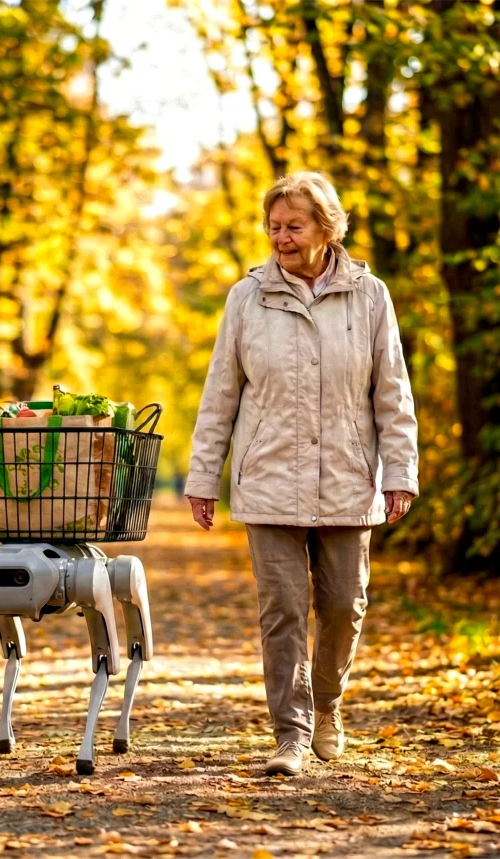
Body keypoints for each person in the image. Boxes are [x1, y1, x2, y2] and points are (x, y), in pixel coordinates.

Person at [184, 172, 418, 777]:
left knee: (343, 605)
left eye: (294, 226)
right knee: (282, 610)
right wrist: (203, 477)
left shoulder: (370, 295)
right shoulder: (247, 297)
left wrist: (400, 471)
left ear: (327, 228)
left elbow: (392, 391)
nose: (281, 238)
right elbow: (220, 394)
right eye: (275, 226)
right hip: (269, 479)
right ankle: (291, 733)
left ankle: (328, 707)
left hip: (347, 474)